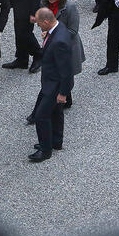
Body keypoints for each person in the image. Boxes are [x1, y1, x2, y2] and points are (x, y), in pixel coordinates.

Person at [27, 8, 74, 163]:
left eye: (40, 23)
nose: (39, 26)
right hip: (52, 82)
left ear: (46, 22)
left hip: (54, 85)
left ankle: (45, 150)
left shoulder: (59, 40)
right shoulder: (58, 29)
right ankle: (55, 141)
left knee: (41, 116)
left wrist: (63, 93)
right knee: (56, 112)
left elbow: (67, 71)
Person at [37, 0, 84, 112]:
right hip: (52, 44)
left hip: (67, 46)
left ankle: (65, 98)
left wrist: (53, 35)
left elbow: (73, 30)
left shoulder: (70, 7)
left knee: (65, 72)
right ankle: (61, 99)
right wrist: (45, 31)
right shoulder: (43, 2)